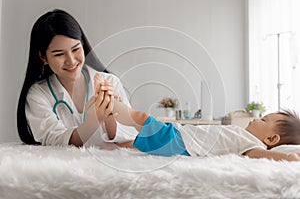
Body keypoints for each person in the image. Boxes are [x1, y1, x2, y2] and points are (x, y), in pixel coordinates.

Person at [17, 9, 137, 147]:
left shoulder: (109, 82)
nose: (71, 61)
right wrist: (94, 120)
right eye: (59, 54)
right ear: (43, 57)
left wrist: (110, 117)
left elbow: (129, 141)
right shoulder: (38, 95)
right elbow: (55, 142)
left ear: (83, 45)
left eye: (76, 49)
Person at [98, 89, 300, 161]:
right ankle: (113, 144)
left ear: (271, 139)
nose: (256, 119)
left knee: (141, 117)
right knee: (137, 142)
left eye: (263, 120)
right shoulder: (244, 136)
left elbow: (262, 156)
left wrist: (287, 157)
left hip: (180, 142)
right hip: (183, 138)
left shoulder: (251, 145)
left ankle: (111, 104)